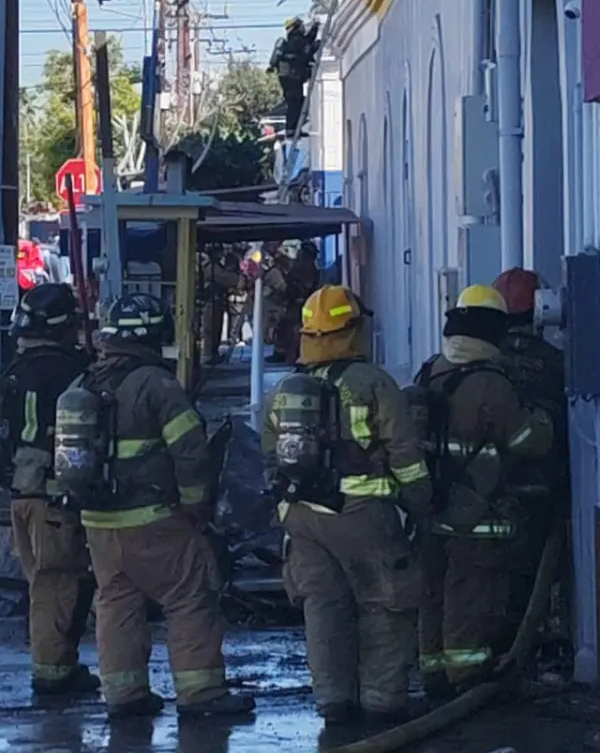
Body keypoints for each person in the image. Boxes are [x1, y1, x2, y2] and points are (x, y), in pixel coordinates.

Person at [74, 293, 255, 719]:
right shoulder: (157, 385)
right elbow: (191, 451)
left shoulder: (83, 384)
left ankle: (124, 694)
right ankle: (201, 692)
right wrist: (194, 505)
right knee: (190, 595)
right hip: (153, 519)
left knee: (116, 602)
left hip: (98, 523)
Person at [261, 284, 432, 726]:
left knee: (322, 606)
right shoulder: (372, 382)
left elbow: (269, 454)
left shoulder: (284, 391)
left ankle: (333, 699)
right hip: (361, 513)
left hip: (301, 516)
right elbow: (405, 454)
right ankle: (381, 702)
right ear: (353, 330)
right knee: (384, 602)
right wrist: (421, 507)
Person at [414, 284, 554, 698]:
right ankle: (467, 675)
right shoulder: (492, 382)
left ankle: (433, 670)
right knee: (471, 591)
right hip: (476, 510)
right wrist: (543, 420)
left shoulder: (432, 370)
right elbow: (526, 439)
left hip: (432, 506)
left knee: (434, 589)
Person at [3, 284, 99, 695]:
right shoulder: (71, 372)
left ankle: (58, 665)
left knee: (42, 584)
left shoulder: (13, 370)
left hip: (20, 494)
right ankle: (53, 674)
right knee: (58, 586)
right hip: (54, 498)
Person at [491, 268, 568, 634]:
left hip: (486, 491)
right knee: (531, 576)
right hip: (542, 491)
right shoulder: (557, 362)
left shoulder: (482, 364)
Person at [267, 18, 320, 138]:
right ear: (296, 28)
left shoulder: (296, 41)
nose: (303, 28)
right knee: (294, 103)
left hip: (293, 78)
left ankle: (295, 128)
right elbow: (307, 47)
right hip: (292, 78)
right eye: (301, 26)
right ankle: (291, 129)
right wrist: (315, 35)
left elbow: (308, 42)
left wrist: (315, 28)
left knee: (298, 102)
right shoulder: (296, 42)